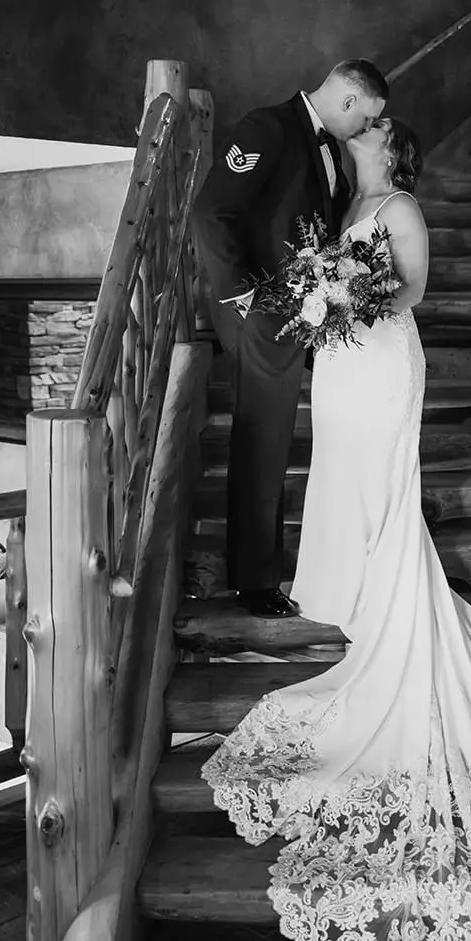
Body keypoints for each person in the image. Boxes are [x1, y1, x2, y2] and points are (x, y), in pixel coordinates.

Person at [202, 117, 471, 941]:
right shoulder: (349, 202)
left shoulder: (401, 207)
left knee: (380, 480)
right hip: (339, 364)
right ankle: (361, 595)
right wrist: (319, 293)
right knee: (341, 476)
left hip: (380, 358)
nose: (358, 134)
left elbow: (411, 289)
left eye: (370, 128)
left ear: (388, 146)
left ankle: (396, 610)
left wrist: (347, 298)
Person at [192, 61, 388, 618]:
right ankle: (254, 582)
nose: (364, 130)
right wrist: (241, 297)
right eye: (364, 118)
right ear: (347, 101)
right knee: (264, 442)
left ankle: (361, 559)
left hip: (308, 313)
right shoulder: (268, 128)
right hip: (264, 316)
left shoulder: (323, 145)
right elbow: (211, 212)